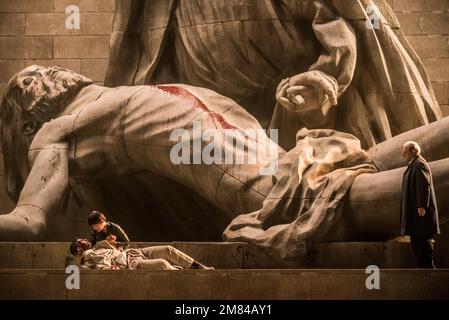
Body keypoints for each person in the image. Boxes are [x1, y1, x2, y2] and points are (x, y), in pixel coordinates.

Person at [0, 65, 448, 260]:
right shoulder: (139, 94)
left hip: (267, 192)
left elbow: (29, 221)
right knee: (385, 164)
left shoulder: (54, 132)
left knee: (386, 187)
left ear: (26, 122)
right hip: (285, 163)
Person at [105, 0, 442, 150]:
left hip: (290, 112)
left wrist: (326, 77)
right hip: (212, 127)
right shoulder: (155, 22)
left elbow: (339, 23)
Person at [401, 141, 440, 268]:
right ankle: (422, 268)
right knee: (416, 240)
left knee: (423, 240)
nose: (403, 155)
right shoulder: (414, 164)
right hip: (415, 212)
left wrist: (421, 205)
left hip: (420, 212)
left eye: (405, 152)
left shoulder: (420, 164)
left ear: (413, 152)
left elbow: (424, 186)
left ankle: (428, 269)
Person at [69, 238, 213, 270]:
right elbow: (98, 268)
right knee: (162, 264)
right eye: (81, 241)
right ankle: (179, 272)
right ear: (78, 249)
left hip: (134, 252)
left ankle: (198, 266)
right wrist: (111, 268)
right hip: (131, 263)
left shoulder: (97, 246)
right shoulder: (87, 259)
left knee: (168, 249)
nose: (85, 240)